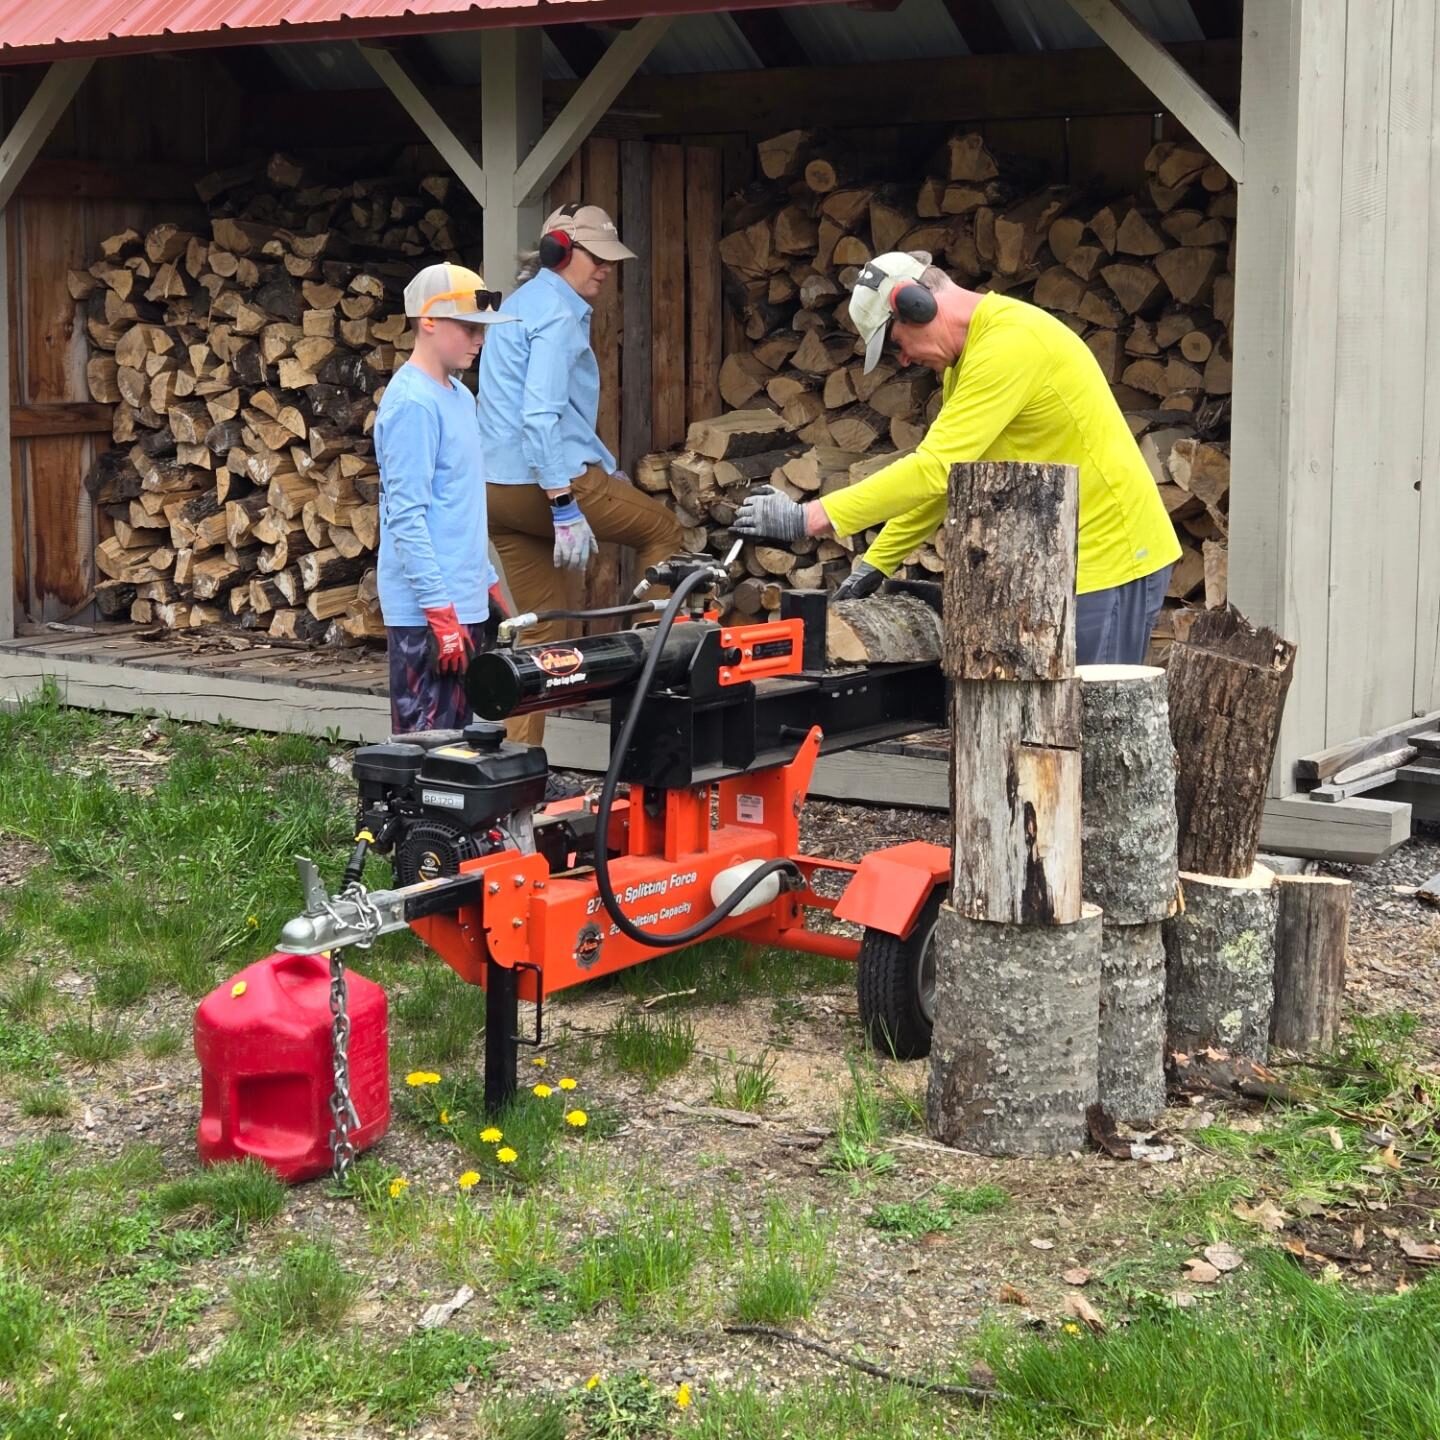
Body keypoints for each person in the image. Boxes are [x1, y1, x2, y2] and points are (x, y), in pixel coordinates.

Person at [732, 252, 1181, 666]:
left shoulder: (1011, 343)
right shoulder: (967, 361)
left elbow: (935, 468)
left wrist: (808, 518)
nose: (904, 359)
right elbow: (956, 475)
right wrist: (877, 563)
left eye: (896, 342)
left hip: (1113, 559)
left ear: (915, 307)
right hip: (1061, 560)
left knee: (1088, 727)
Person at [477, 203, 682, 745]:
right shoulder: (557, 315)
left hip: (494, 490)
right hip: (543, 484)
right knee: (662, 531)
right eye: (598, 257)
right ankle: (653, 695)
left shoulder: (522, 303)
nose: (607, 269)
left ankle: (513, 767)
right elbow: (540, 417)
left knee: (542, 631)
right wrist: (564, 502)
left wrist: (602, 464)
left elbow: (551, 413)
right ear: (560, 251)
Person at [376, 262, 515, 734]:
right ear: (428, 321)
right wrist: (439, 611)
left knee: (460, 746)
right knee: (425, 750)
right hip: (426, 613)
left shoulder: (459, 397)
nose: (479, 340)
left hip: (463, 601)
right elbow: (407, 518)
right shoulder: (412, 404)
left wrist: (486, 582)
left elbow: (459, 504)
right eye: (469, 328)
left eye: (482, 330)